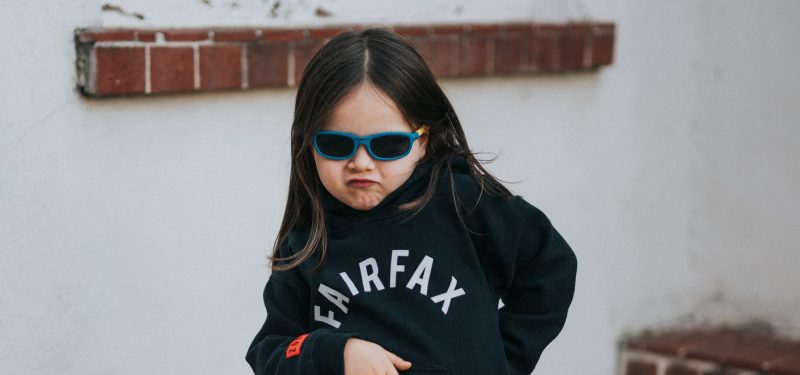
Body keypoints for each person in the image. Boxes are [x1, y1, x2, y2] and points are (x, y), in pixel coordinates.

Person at [245, 27, 577, 375]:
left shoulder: (465, 205)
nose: (361, 162)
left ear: (423, 140)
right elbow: (270, 352)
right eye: (337, 145)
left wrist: (501, 359)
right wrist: (335, 353)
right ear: (308, 143)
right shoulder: (306, 244)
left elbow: (551, 269)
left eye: (387, 145)